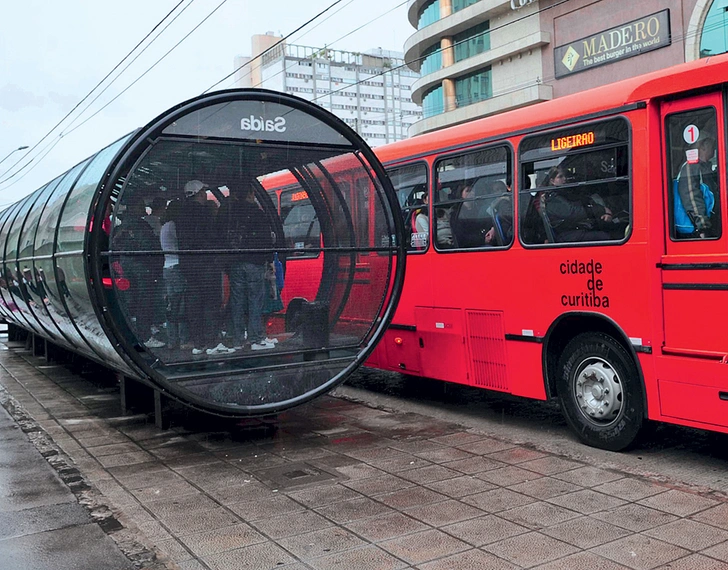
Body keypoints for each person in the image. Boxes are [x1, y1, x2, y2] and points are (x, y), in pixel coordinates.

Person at [217, 180, 276, 351]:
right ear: (250, 194)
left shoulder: (229, 213)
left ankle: (237, 339)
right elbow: (266, 238)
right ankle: (255, 338)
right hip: (254, 262)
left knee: (237, 300)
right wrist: (268, 258)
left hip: (235, 262)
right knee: (255, 300)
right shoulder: (257, 212)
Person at [176, 180, 231, 355]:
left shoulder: (180, 216)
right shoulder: (205, 213)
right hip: (207, 265)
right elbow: (213, 237)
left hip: (188, 267)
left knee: (194, 304)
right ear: (199, 193)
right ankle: (212, 342)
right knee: (210, 303)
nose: (206, 194)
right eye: (204, 191)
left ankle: (198, 344)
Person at [676, 134, 718, 238]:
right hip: (696, 229)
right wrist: (702, 225)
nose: (715, 148)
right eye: (712, 145)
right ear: (703, 146)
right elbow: (691, 196)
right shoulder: (691, 167)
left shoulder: (705, 168)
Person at [159, 199, 186, 350]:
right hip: (176, 267)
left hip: (167, 267)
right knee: (180, 305)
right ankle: (183, 339)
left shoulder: (164, 226)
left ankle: (172, 339)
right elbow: (181, 244)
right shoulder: (174, 226)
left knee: (171, 305)